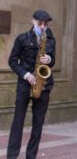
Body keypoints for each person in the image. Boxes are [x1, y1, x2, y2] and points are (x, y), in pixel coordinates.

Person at [7, 10, 56, 159]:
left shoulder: (50, 39)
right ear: (33, 21)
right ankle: (12, 156)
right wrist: (26, 74)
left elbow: (53, 60)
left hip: (43, 85)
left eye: (45, 24)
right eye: (40, 23)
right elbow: (12, 61)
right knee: (18, 122)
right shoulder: (22, 38)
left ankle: (31, 156)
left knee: (38, 124)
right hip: (25, 84)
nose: (43, 26)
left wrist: (49, 59)